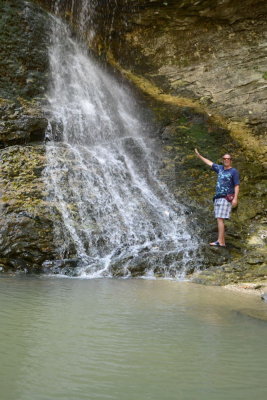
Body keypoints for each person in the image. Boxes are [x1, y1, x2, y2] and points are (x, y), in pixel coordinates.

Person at [194, 148, 240, 247]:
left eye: (228, 159)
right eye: (224, 158)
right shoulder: (220, 168)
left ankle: (220, 241)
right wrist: (199, 156)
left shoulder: (234, 171)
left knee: (219, 219)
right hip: (218, 197)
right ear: (223, 160)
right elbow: (209, 163)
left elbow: (236, 185)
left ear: (231, 160)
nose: (226, 160)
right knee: (220, 219)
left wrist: (235, 198)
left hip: (226, 197)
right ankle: (222, 241)